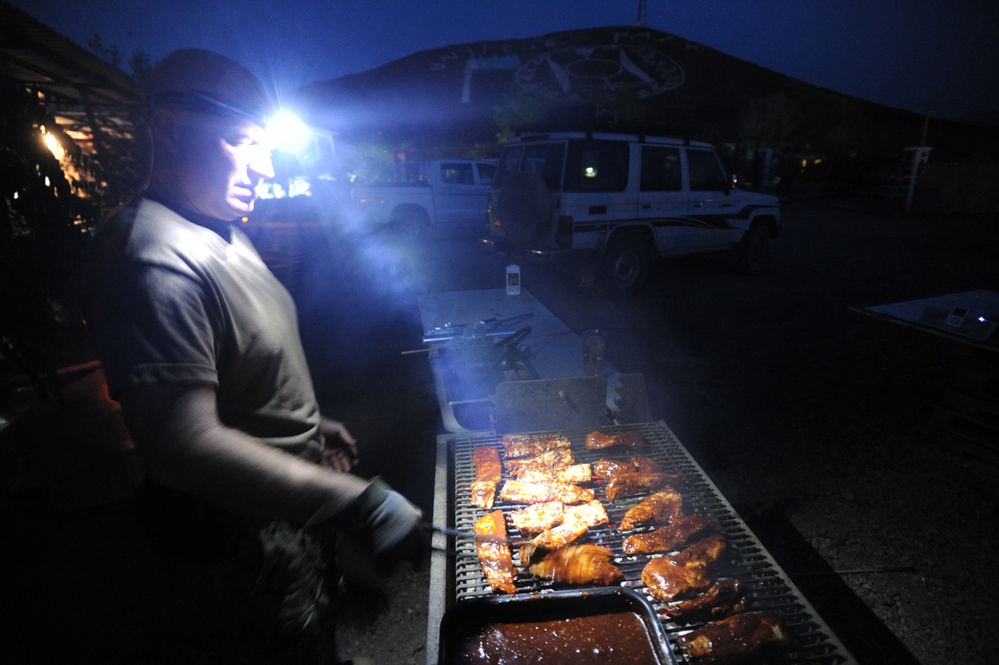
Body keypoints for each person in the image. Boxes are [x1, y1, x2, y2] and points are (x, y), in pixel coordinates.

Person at [79, 48, 424, 664]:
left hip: (287, 516)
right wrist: (354, 501)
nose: (266, 168)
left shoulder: (225, 229)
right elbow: (183, 444)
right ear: (170, 130)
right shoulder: (154, 256)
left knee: (314, 635)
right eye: (242, 142)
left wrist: (310, 426)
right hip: (236, 537)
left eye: (267, 145)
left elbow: (242, 364)